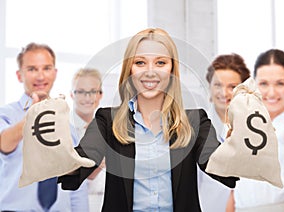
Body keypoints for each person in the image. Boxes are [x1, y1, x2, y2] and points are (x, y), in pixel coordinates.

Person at [58, 28, 238, 212]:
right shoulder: (107, 121)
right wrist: (52, 149)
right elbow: (80, 164)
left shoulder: (195, 121)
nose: (150, 72)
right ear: (129, 69)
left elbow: (221, 168)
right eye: (140, 62)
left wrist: (236, 145)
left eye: (160, 62)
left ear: (172, 69)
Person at [0, 42, 89, 211]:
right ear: (20, 75)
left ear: (55, 73)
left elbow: (77, 182)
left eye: (46, 68)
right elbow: (3, 143)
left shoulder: (67, 126)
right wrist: (31, 118)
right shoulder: (6, 115)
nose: (40, 76)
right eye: (32, 69)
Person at [229, 49, 284, 211]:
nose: (272, 92)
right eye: (264, 84)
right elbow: (234, 188)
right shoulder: (239, 124)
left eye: (280, 83)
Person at [198, 53, 250, 212]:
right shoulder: (196, 128)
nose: (224, 93)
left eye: (232, 87)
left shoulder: (254, 128)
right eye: (218, 85)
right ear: (209, 86)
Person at [70, 68, 106, 212]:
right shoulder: (65, 130)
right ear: (72, 95)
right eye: (81, 91)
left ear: (100, 95)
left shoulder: (105, 128)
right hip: (77, 203)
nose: (87, 97)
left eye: (92, 91)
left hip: (104, 201)